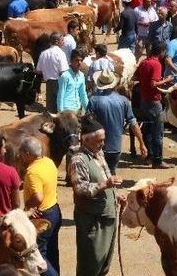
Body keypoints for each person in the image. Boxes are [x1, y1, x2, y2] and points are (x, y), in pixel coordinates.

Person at [68, 117, 125, 276]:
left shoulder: (98, 153)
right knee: (91, 265)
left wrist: (116, 195)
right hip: (93, 222)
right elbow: (80, 188)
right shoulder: (78, 160)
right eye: (99, 141)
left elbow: (103, 177)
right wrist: (106, 185)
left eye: (103, 140)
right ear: (86, 140)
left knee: (104, 263)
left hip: (107, 218)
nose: (102, 144)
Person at [88, 70, 146, 174]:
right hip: (115, 147)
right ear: (114, 84)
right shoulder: (124, 101)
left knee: (98, 177)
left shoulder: (94, 100)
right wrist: (142, 143)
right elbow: (133, 124)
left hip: (98, 148)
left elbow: (88, 124)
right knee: (111, 173)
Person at [19, 137, 60, 276]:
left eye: (22, 153)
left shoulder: (32, 172)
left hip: (42, 215)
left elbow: (38, 197)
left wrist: (27, 207)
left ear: (28, 154)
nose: (20, 156)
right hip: (55, 210)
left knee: (40, 254)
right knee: (52, 250)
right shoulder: (48, 162)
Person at [135, 43, 174, 169]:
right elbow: (153, 84)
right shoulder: (156, 64)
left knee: (147, 130)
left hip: (144, 100)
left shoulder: (144, 62)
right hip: (154, 101)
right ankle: (158, 160)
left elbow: (136, 77)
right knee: (158, 132)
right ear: (161, 52)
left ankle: (149, 156)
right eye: (164, 53)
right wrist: (166, 80)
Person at [37, 32, 69, 113]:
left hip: (48, 83)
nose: (63, 42)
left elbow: (38, 70)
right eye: (62, 40)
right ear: (57, 41)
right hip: (59, 83)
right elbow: (64, 71)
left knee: (50, 110)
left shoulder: (43, 54)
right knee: (61, 108)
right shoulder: (61, 53)